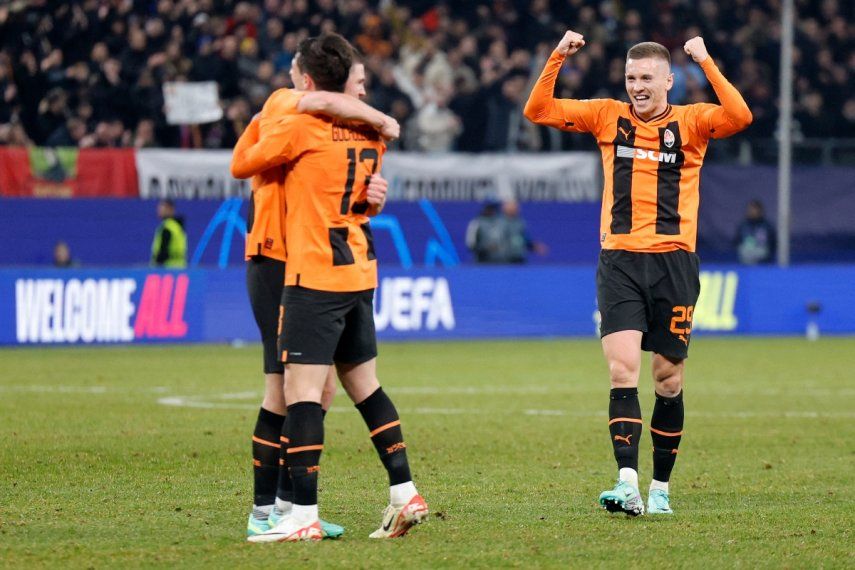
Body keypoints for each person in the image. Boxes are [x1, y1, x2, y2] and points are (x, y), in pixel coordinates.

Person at [524, 31, 751, 516]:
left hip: (674, 262)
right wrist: (558, 55)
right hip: (620, 260)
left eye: (647, 78)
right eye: (631, 78)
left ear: (669, 81)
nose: (638, 86)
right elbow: (538, 111)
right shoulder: (608, 115)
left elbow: (740, 116)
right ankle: (626, 482)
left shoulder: (692, 122)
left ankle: (661, 489)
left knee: (668, 380)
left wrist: (706, 60)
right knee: (622, 370)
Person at [240, 33, 426, 543]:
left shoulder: (335, 128)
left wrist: (369, 200)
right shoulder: (289, 109)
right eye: (360, 84)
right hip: (279, 258)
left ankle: (290, 508)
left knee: (316, 390)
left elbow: (346, 196)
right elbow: (244, 162)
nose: (365, 95)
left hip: (319, 265)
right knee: (284, 387)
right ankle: (269, 509)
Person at [735, 199, 775, 264]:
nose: (752, 212)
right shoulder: (743, 225)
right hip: (747, 251)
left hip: (761, 251)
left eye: (755, 209)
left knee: (762, 251)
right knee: (744, 251)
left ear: (760, 211)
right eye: (750, 209)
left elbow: (772, 243)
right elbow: (737, 242)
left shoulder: (766, 225)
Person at [150, 199, 187, 268]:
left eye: (162, 208)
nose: (159, 211)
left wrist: (155, 266)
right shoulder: (177, 226)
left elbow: (163, 252)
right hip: (180, 268)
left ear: (170, 209)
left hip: (167, 270)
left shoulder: (168, 228)